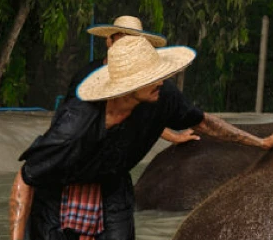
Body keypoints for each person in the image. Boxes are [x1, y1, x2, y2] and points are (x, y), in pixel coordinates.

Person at [0, 36, 273, 240]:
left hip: (112, 179)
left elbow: (202, 121)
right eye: (151, 76)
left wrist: (261, 142)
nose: (161, 80)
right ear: (126, 87)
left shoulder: (161, 97)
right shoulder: (76, 124)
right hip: (57, 189)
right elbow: (26, 176)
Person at [67, 15, 198, 146]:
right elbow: (69, 122)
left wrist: (174, 137)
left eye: (133, 41)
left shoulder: (143, 82)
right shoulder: (85, 77)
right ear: (109, 41)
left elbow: (145, 116)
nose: (127, 45)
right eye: (123, 39)